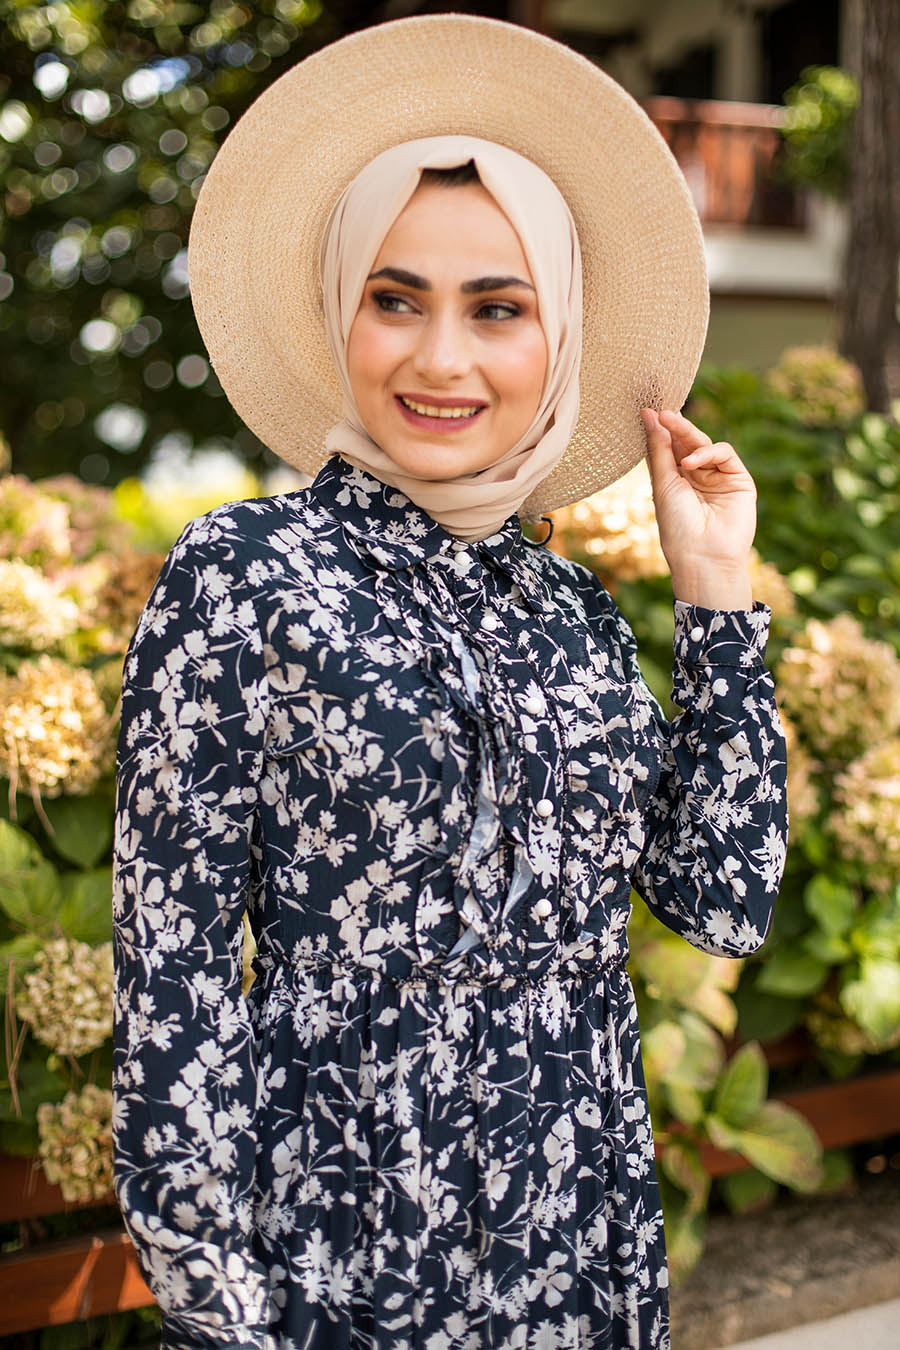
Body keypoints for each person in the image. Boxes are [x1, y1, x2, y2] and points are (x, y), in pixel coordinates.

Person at [111, 15, 788, 1350]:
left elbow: (722, 896)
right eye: (396, 296)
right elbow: (172, 963)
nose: (440, 360)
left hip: (580, 1252)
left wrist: (714, 586)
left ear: (560, 333)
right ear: (339, 307)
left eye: (498, 307)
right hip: (339, 1266)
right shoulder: (246, 573)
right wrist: (225, 1307)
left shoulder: (573, 609)